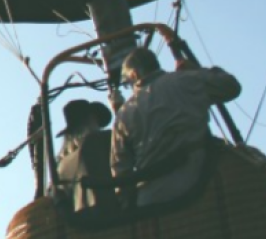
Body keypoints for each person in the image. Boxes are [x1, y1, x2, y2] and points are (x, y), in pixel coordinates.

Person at [110, 46, 242, 206]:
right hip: (202, 185)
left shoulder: (125, 113)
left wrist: (126, 205)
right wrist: (196, 70)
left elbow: (120, 169)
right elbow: (232, 87)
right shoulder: (188, 80)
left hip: (152, 199)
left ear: (134, 74)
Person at [55, 99, 114, 211]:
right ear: (92, 119)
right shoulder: (105, 143)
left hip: (83, 222)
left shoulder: (62, 166)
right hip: (114, 214)